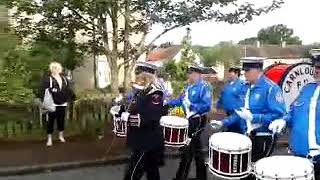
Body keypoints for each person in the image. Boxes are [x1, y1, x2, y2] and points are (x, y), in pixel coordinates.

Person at [211, 58, 286, 180]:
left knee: (258, 173)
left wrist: (254, 117)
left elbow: (279, 116)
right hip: (247, 136)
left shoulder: (271, 88)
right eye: (244, 70)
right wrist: (222, 122)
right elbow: (239, 113)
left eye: (247, 70)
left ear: (258, 70)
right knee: (244, 173)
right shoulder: (246, 88)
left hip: (263, 136)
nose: (244, 73)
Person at [268, 49, 320, 179]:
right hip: (300, 155)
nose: (317, 70)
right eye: (316, 66)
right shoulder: (307, 89)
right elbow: (293, 111)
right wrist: (284, 120)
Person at [166, 65, 212, 180]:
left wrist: (192, 105)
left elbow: (206, 106)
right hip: (189, 120)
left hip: (198, 120)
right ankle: (200, 177)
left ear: (198, 74)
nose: (189, 75)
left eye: (191, 73)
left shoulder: (204, 87)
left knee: (188, 148)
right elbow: (181, 102)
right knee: (195, 150)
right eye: (189, 73)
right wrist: (168, 103)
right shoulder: (188, 88)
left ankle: (181, 177)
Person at [122, 72, 168, 180]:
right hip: (142, 139)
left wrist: (130, 118)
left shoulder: (155, 94)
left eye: (140, 80)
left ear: (145, 80)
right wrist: (123, 112)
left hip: (147, 140)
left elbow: (152, 116)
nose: (137, 82)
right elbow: (134, 108)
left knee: (133, 173)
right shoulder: (140, 93)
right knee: (152, 172)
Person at [40, 62, 76, 147]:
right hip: (52, 104)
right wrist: (43, 99)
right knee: (51, 122)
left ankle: (61, 136)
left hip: (62, 103)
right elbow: (43, 90)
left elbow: (68, 89)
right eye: (54, 68)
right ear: (51, 69)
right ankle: (49, 139)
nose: (55, 70)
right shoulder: (48, 79)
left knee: (61, 120)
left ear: (60, 70)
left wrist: (73, 97)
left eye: (57, 68)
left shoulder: (64, 79)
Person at [216, 66, 244, 133]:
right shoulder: (228, 85)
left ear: (236, 73)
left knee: (236, 131)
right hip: (228, 112)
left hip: (237, 113)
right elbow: (222, 95)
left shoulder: (241, 85)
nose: (229, 75)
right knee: (229, 130)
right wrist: (218, 105)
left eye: (231, 73)